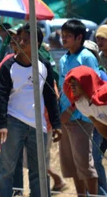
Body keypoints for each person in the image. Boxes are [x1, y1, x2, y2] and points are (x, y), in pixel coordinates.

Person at [0, 23, 61, 197]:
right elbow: (1, 96)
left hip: (38, 125)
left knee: (38, 171)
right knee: (6, 169)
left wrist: (56, 123)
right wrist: (2, 124)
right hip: (13, 122)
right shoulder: (8, 66)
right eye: (19, 39)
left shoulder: (44, 66)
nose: (21, 42)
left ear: (37, 43)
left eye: (26, 39)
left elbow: (50, 97)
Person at [59, 19, 101, 196]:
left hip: (81, 118)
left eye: (68, 36)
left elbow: (92, 88)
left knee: (84, 163)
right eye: (62, 35)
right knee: (71, 164)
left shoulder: (86, 57)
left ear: (79, 37)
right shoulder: (63, 58)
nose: (64, 39)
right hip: (65, 117)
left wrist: (70, 111)